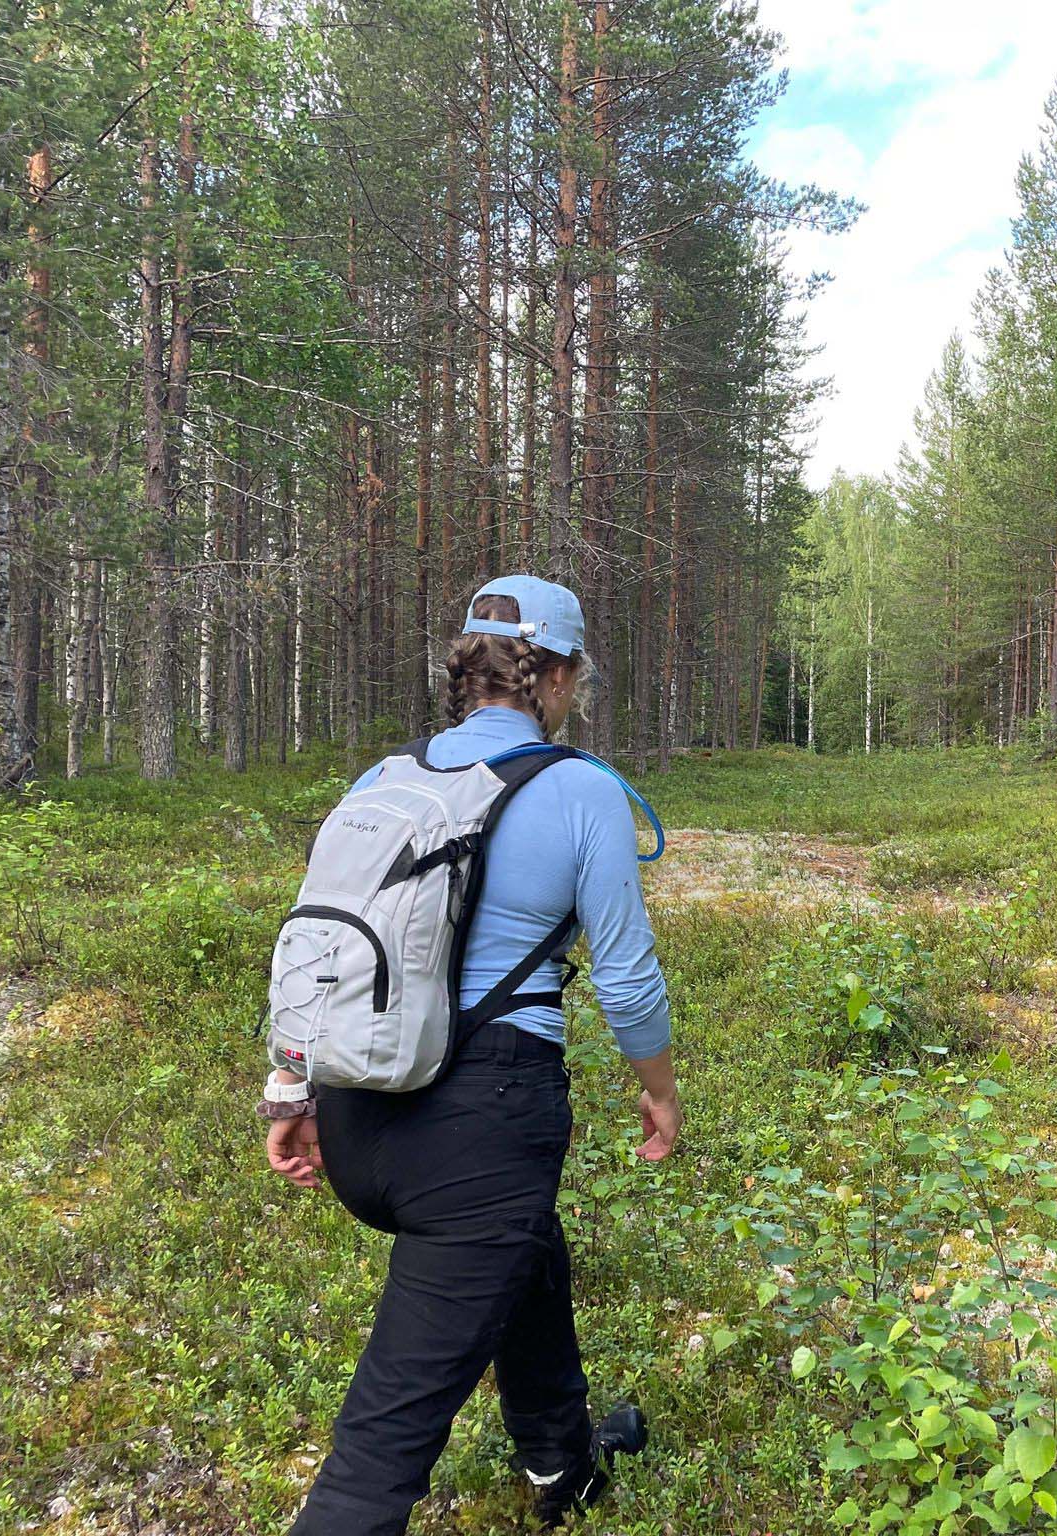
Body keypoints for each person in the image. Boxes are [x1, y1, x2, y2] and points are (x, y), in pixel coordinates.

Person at [262, 574, 682, 1532]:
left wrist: (292, 1089)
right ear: (559, 677)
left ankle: (563, 1465)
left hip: (359, 1116)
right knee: (383, 1440)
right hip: (481, 1131)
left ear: (466, 669)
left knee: (524, 1244)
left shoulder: (383, 779)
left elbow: (316, 948)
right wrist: (659, 1092)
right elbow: (626, 978)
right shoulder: (581, 789)